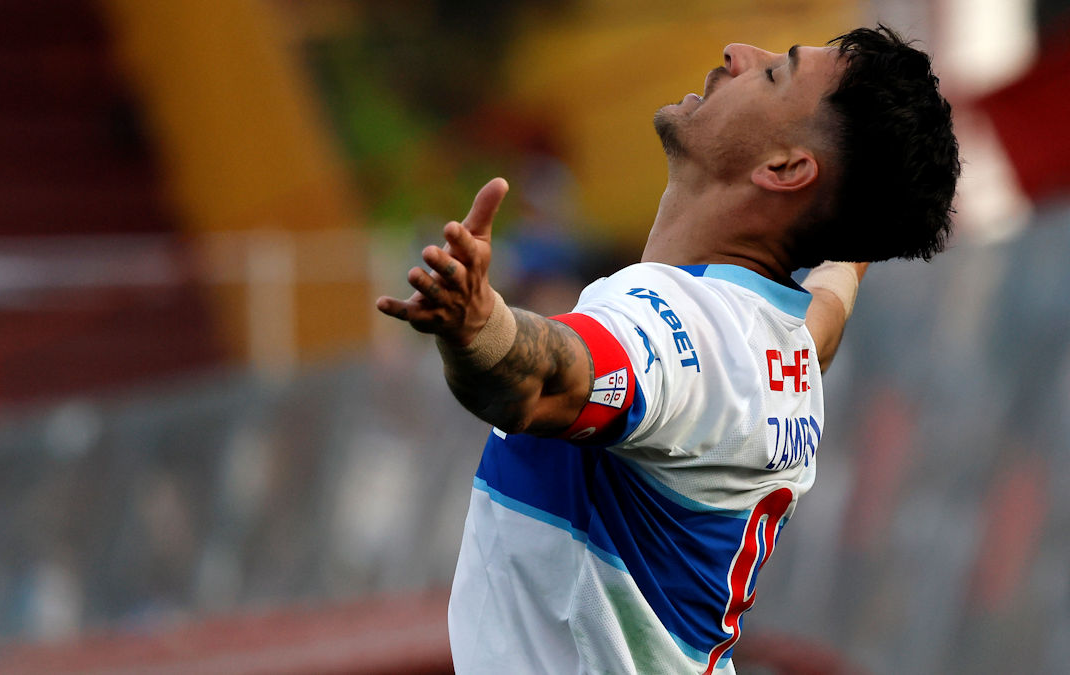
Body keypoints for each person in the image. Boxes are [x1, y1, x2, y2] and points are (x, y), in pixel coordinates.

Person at [376, 25, 959, 674]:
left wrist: (477, 326)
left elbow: (543, 381)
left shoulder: (688, 333)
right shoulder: (778, 336)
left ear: (786, 168)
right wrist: (870, 205)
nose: (739, 54)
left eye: (774, 74)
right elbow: (832, 301)